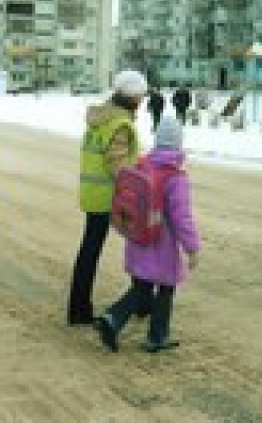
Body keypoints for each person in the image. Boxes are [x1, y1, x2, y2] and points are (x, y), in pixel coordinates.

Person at [94, 117, 199, 353]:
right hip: (161, 244)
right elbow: (183, 217)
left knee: (142, 286)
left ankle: (113, 318)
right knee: (165, 288)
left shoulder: (142, 165)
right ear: (178, 144)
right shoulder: (175, 177)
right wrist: (192, 248)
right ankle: (156, 336)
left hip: (138, 237)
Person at [68, 69, 148, 326]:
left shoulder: (100, 119)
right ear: (133, 98)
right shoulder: (120, 124)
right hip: (111, 196)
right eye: (141, 96)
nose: (143, 100)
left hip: (94, 193)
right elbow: (117, 165)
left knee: (89, 249)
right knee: (140, 242)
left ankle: (78, 307)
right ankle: (140, 303)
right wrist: (139, 181)